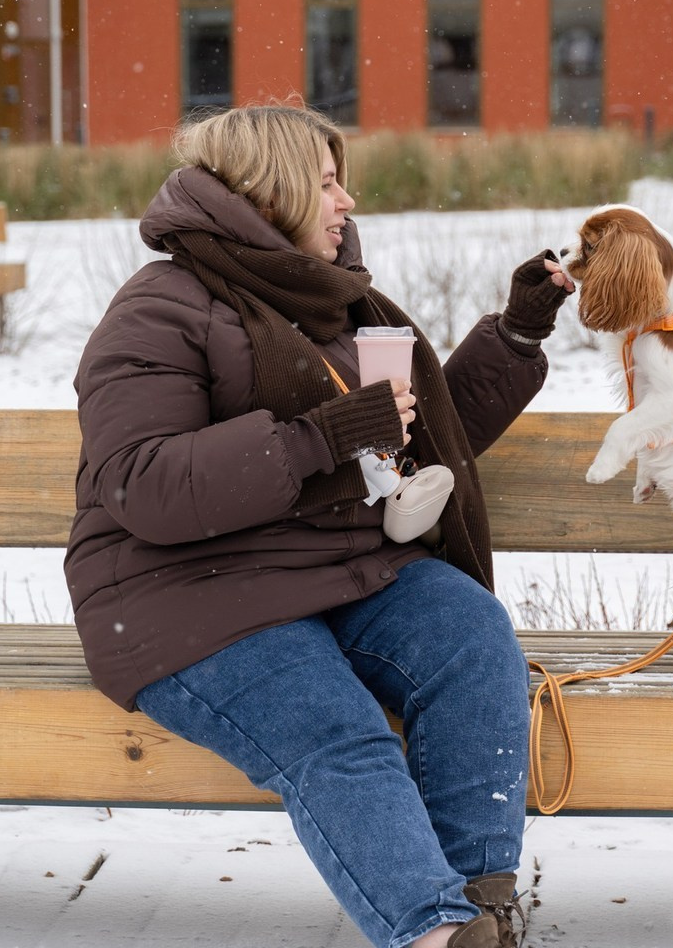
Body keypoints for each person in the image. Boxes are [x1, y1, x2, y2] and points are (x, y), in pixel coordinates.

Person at [66, 101, 574, 948]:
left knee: (471, 639)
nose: (347, 202)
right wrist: (315, 440)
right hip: (186, 592)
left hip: (334, 571)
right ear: (271, 196)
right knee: (336, 729)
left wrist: (515, 335)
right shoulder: (159, 309)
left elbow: (420, 440)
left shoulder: (340, 305)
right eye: (328, 184)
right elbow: (140, 483)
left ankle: (480, 912)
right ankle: (432, 932)